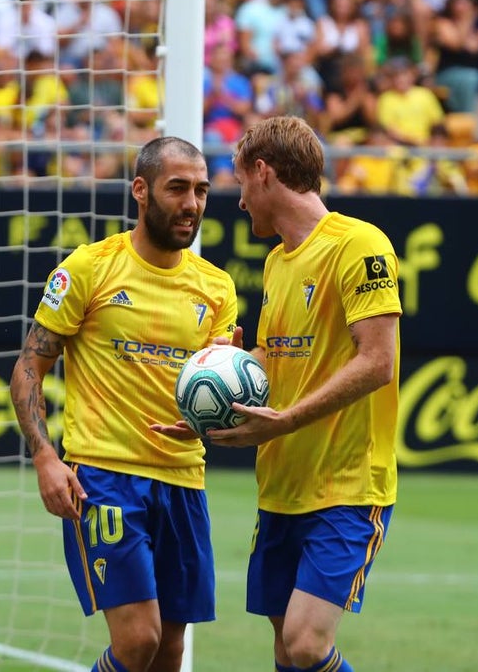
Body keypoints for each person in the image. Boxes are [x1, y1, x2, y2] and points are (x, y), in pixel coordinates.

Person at [160, 116, 401, 672]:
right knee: (285, 655)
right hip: (282, 486)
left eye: (240, 181)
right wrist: (219, 393)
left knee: (307, 644)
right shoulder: (276, 261)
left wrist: (287, 419)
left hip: (347, 486)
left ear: (263, 173)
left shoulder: (360, 245)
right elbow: (276, 357)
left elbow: (378, 361)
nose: (239, 201)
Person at [11, 136, 237, 672]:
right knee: (138, 640)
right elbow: (27, 369)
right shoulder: (90, 268)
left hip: (184, 481)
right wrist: (45, 457)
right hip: (106, 476)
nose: (192, 204)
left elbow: (213, 388)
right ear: (141, 190)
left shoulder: (216, 288)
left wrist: (215, 407)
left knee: (169, 653)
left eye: (201, 191)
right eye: (177, 188)